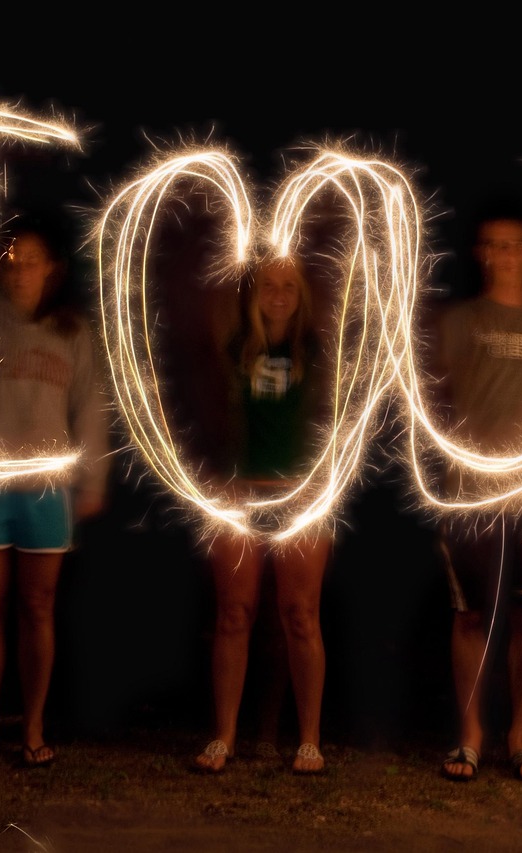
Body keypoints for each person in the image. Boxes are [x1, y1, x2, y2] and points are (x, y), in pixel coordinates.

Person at [0, 214, 111, 768]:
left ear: (53, 271)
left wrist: (92, 480)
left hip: (46, 489)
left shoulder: (72, 332)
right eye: (11, 262)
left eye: (31, 262)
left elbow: (91, 406)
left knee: (38, 606)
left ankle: (35, 726)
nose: (19, 271)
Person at [433, 200, 522, 782]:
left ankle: (520, 735)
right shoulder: (459, 322)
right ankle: (470, 735)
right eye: (493, 245)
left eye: (515, 244)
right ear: (479, 254)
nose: (504, 255)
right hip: (471, 492)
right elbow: (433, 404)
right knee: (469, 614)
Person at [192, 255, 332, 776]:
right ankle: (224, 735)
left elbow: (336, 417)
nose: (278, 294)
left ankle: (310, 740)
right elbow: (212, 414)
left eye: (289, 285)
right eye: (267, 285)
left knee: (301, 615)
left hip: (301, 497)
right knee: (233, 614)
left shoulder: (318, 353)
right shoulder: (233, 350)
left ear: (302, 294)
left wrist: (320, 481)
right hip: (240, 495)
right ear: (252, 293)